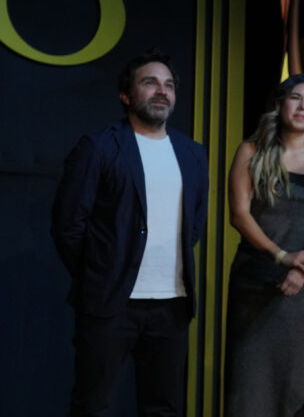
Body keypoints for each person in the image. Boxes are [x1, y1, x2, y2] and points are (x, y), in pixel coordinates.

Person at [51, 49, 209, 416]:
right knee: (92, 405)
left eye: (168, 85)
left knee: (164, 408)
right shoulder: (99, 147)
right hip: (111, 302)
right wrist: (99, 273)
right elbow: (68, 225)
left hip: (172, 305)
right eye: (150, 82)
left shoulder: (193, 154)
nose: (162, 91)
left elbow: (194, 224)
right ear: (125, 95)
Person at [224, 74, 304, 416]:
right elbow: (239, 215)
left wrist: (303, 265)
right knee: (249, 384)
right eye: (296, 98)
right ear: (280, 104)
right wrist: (281, 256)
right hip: (255, 279)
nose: (303, 106)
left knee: (295, 385)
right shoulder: (251, 151)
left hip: (303, 286)